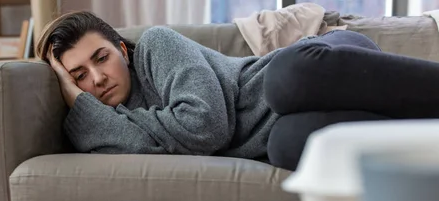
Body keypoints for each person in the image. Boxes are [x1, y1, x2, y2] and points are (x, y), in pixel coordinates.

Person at [37, 11, 439, 171]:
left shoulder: (157, 46)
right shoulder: (93, 122)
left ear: (122, 49)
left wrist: (145, 129)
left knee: (284, 82)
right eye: (80, 76)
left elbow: (204, 128)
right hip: (282, 126)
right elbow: (193, 132)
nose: (98, 78)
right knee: (289, 146)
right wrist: (84, 107)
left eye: (101, 58)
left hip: (319, 68)